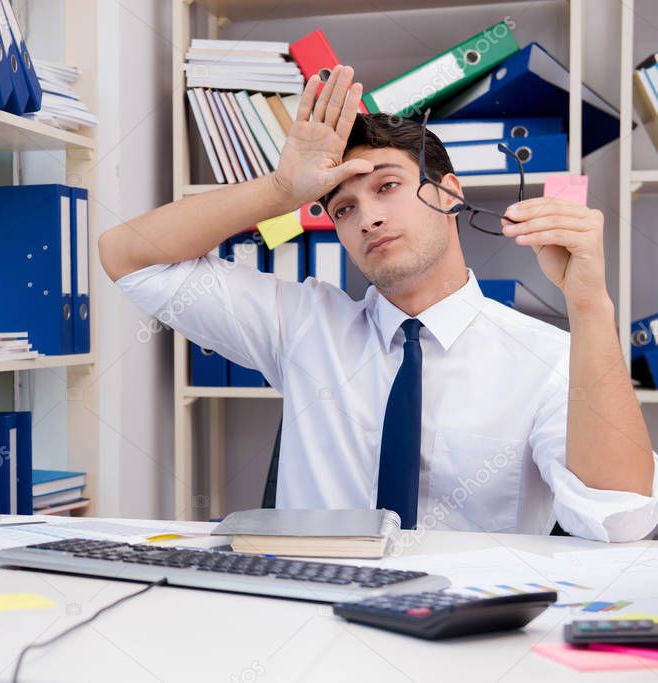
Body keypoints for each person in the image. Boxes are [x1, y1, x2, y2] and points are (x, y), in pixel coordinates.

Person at [98, 65, 658, 542]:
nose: (367, 217)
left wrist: (590, 307)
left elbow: (619, 520)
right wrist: (280, 190)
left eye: (387, 187)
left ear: (448, 193)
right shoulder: (303, 325)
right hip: (308, 626)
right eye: (343, 208)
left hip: (467, 638)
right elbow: (129, 257)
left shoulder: (549, 357)